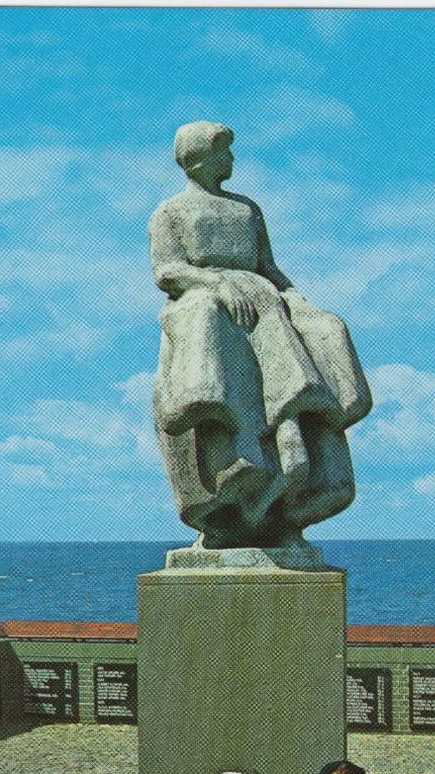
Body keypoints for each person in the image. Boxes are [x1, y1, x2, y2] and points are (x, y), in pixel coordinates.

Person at [148, 120, 372, 549]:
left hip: (263, 299)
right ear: (199, 157)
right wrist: (215, 283)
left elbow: (269, 269)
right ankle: (231, 430)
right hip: (204, 299)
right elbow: (167, 271)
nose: (231, 159)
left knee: (326, 327)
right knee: (209, 318)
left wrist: (298, 299)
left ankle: (297, 429)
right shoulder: (170, 213)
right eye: (223, 151)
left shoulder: (247, 210)